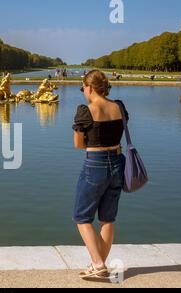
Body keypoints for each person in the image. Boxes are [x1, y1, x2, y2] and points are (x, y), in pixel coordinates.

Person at [72, 70, 128, 279]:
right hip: (117, 163)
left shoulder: (86, 110)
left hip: (95, 164)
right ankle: (98, 265)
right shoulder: (119, 107)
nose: (83, 92)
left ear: (90, 87)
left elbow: (78, 144)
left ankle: (97, 264)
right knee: (107, 219)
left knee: (82, 217)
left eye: (83, 88)